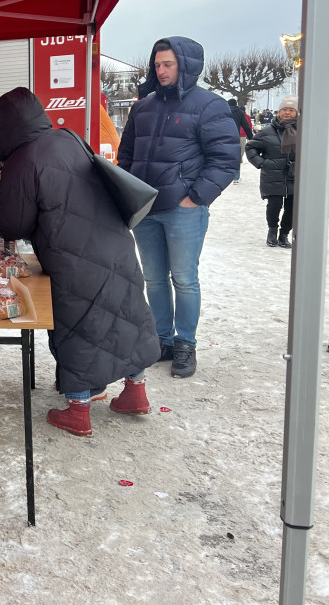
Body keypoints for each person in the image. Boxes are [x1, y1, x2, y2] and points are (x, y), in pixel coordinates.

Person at [0, 87, 160, 437]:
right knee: (124, 310)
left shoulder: (23, 160)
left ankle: (79, 409)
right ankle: (135, 393)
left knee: (78, 322)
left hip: (70, 254)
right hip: (113, 240)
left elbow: (14, 225)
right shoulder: (68, 137)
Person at [117, 37, 239, 379]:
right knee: (153, 278)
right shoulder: (143, 106)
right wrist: (127, 189)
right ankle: (162, 339)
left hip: (183, 208)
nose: (161, 70)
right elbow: (126, 154)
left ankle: (185, 343)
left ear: (185, 65)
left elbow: (225, 160)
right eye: (157, 64)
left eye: (168, 64)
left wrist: (195, 197)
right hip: (145, 208)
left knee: (184, 279)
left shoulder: (209, 106)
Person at [245, 94, 298, 248]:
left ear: (297, 112)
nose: (287, 113)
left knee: (292, 207)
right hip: (273, 174)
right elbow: (251, 147)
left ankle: (284, 234)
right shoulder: (268, 131)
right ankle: (272, 231)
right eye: (284, 110)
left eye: (291, 110)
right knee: (274, 205)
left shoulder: (303, 131)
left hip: (295, 176)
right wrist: (262, 163)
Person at [226, 98, 253, 183]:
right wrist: (251, 138)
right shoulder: (240, 113)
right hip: (235, 137)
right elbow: (246, 126)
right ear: (236, 104)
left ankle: (225, 176)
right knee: (236, 157)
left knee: (224, 157)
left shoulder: (223, 112)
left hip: (223, 138)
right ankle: (236, 178)